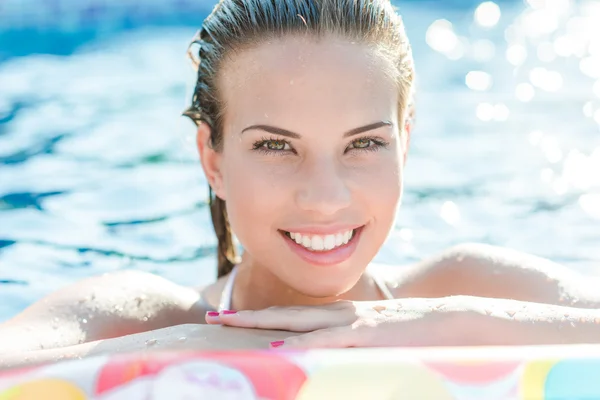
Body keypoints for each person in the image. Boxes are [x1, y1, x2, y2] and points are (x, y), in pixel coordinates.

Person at [2, 0, 600, 370]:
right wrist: (185, 347)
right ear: (211, 157)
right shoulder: (143, 317)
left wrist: (451, 322)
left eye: (364, 143)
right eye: (275, 146)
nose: (326, 197)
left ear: (406, 142)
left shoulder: (469, 286)